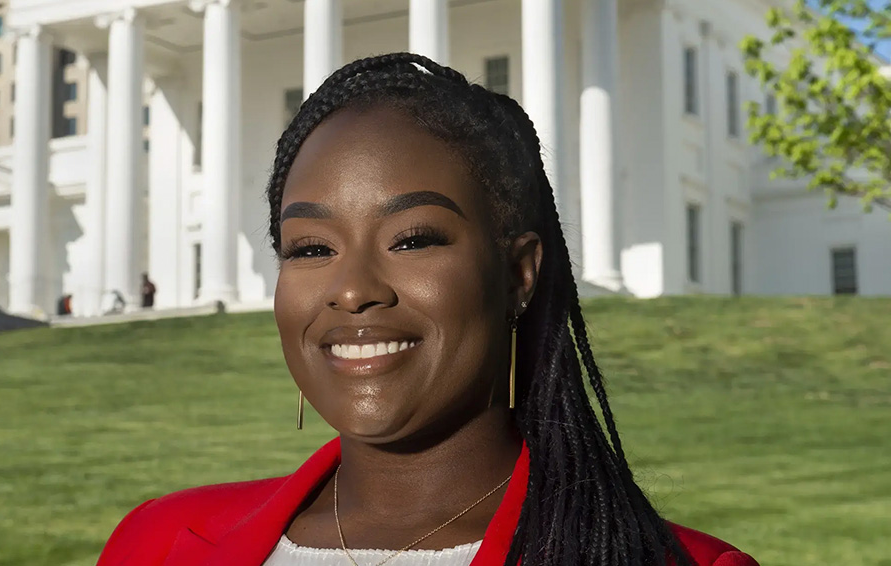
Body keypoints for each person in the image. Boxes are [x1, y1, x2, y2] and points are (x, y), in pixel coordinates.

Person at [96, 54, 758, 566]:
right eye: (311, 247)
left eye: (413, 238)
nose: (351, 289)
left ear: (519, 274)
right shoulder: (154, 542)